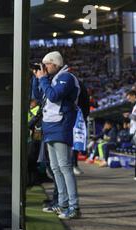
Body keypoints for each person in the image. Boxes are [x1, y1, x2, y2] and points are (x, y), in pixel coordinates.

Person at [32, 51, 81, 220]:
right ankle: (62, 203)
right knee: (55, 168)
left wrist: (43, 79)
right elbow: (38, 96)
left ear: (55, 64)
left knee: (65, 167)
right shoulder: (50, 79)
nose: (44, 68)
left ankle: (74, 206)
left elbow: (53, 96)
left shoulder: (66, 77)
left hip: (61, 126)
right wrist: (36, 77)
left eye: (46, 64)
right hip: (50, 127)